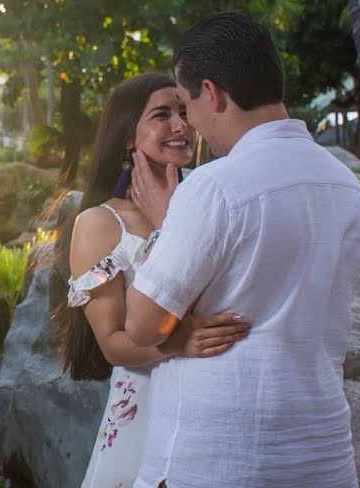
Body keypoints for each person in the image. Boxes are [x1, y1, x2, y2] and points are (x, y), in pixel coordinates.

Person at [123, 12, 360, 488]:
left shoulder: (217, 186)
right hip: (322, 454)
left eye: (187, 103)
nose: (189, 122)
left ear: (211, 94)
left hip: (219, 457)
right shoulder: (348, 187)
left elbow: (142, 324)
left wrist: (165, 220)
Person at [56, 73, 252, 488]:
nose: (181, 125)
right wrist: (179, 341)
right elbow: (111, 343)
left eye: (184, 112)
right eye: (162, 115)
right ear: (128, 136)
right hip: (141, 416)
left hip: (220, 410)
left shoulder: (216, 199)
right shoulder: (99, 224)